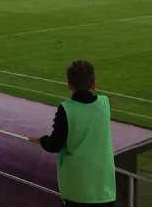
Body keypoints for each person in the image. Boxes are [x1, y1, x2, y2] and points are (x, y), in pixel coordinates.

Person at [29, 60, 116, 206]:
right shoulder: (104, 103)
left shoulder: (66, 109)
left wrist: (42, 140)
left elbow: (54, 145)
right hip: (104, 187)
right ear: (94, 84)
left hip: (77, 188)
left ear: (69, 85)